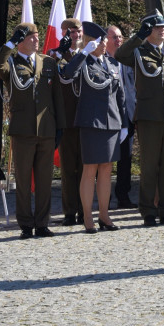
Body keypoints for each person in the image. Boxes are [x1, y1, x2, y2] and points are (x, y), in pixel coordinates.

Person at [116, 11, 164, 227]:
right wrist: (138, 37)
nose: (163, 30)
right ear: (148, 30)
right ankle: (148, 210)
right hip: (149, 117)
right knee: (149, 166)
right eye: (158, 27)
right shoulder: (139, 51)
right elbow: (120, 55)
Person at [0, 22, 65, 240]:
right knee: (23, 181)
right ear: (21, 41)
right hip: (23, 130)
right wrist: (10, 43)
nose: (36, 40)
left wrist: (60, 126)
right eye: (31, 37)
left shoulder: (48, 62)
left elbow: (56, 97)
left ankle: (42, 223)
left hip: (47, 129)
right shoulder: (11, 63)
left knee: (44, 181)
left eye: (37, 36)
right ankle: (25, 224)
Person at [61, 22, 129, 233]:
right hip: (91, 122)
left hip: (111, 122)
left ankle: (105, 215)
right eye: (99, 41)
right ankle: (88, 217)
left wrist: (124, 123)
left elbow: (121, 96)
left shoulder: (112, 64)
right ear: (89, 42)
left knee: (107, 170)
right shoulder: (83, 62)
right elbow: (65, 75)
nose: (103, 44)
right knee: (90, 170)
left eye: (104, 40)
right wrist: (83, 53)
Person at [52, 18, 84, 226]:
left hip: (86, 118)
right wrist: (58, 53)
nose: (76, 35)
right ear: (63, 33)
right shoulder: (56, 55)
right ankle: (69, 212)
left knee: (86, 169)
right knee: (68, 169)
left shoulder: (89, 53)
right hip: (66, 119)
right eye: (72, 32)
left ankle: (85, 210)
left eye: (78, 31)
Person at [107, 25, 137, 209]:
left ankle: (123, 195)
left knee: (126, 157)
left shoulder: (128, 59)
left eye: (120, 37)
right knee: (106, 158)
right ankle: (104, 197)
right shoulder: (101, 60)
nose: (119, 40)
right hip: (109, 116)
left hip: (128, 114)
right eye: (114, 37)